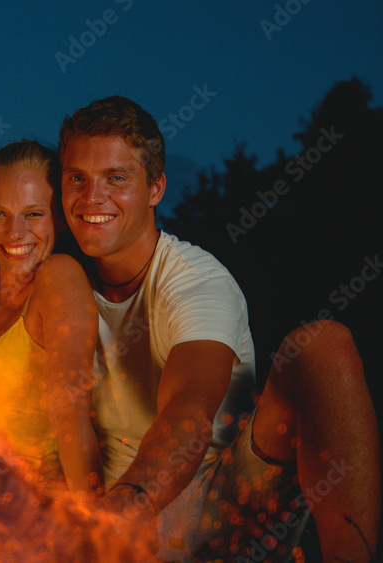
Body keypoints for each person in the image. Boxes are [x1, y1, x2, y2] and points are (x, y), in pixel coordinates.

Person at [58, 95, 380, 561]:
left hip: (213, 505)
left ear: (155, 188)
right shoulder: (62, 284)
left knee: (323, 346)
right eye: (77, 179)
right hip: (108, 516)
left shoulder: (197, 282)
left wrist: (121, 513)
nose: (92, 198)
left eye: (116, 178)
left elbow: (188, 411)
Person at [0, 139, 103, 495]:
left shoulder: (59, 277)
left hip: (31, 506)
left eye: (33, 214)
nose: (14, 233)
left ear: (58, 217)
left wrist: (93, 527)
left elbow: (70, 415)